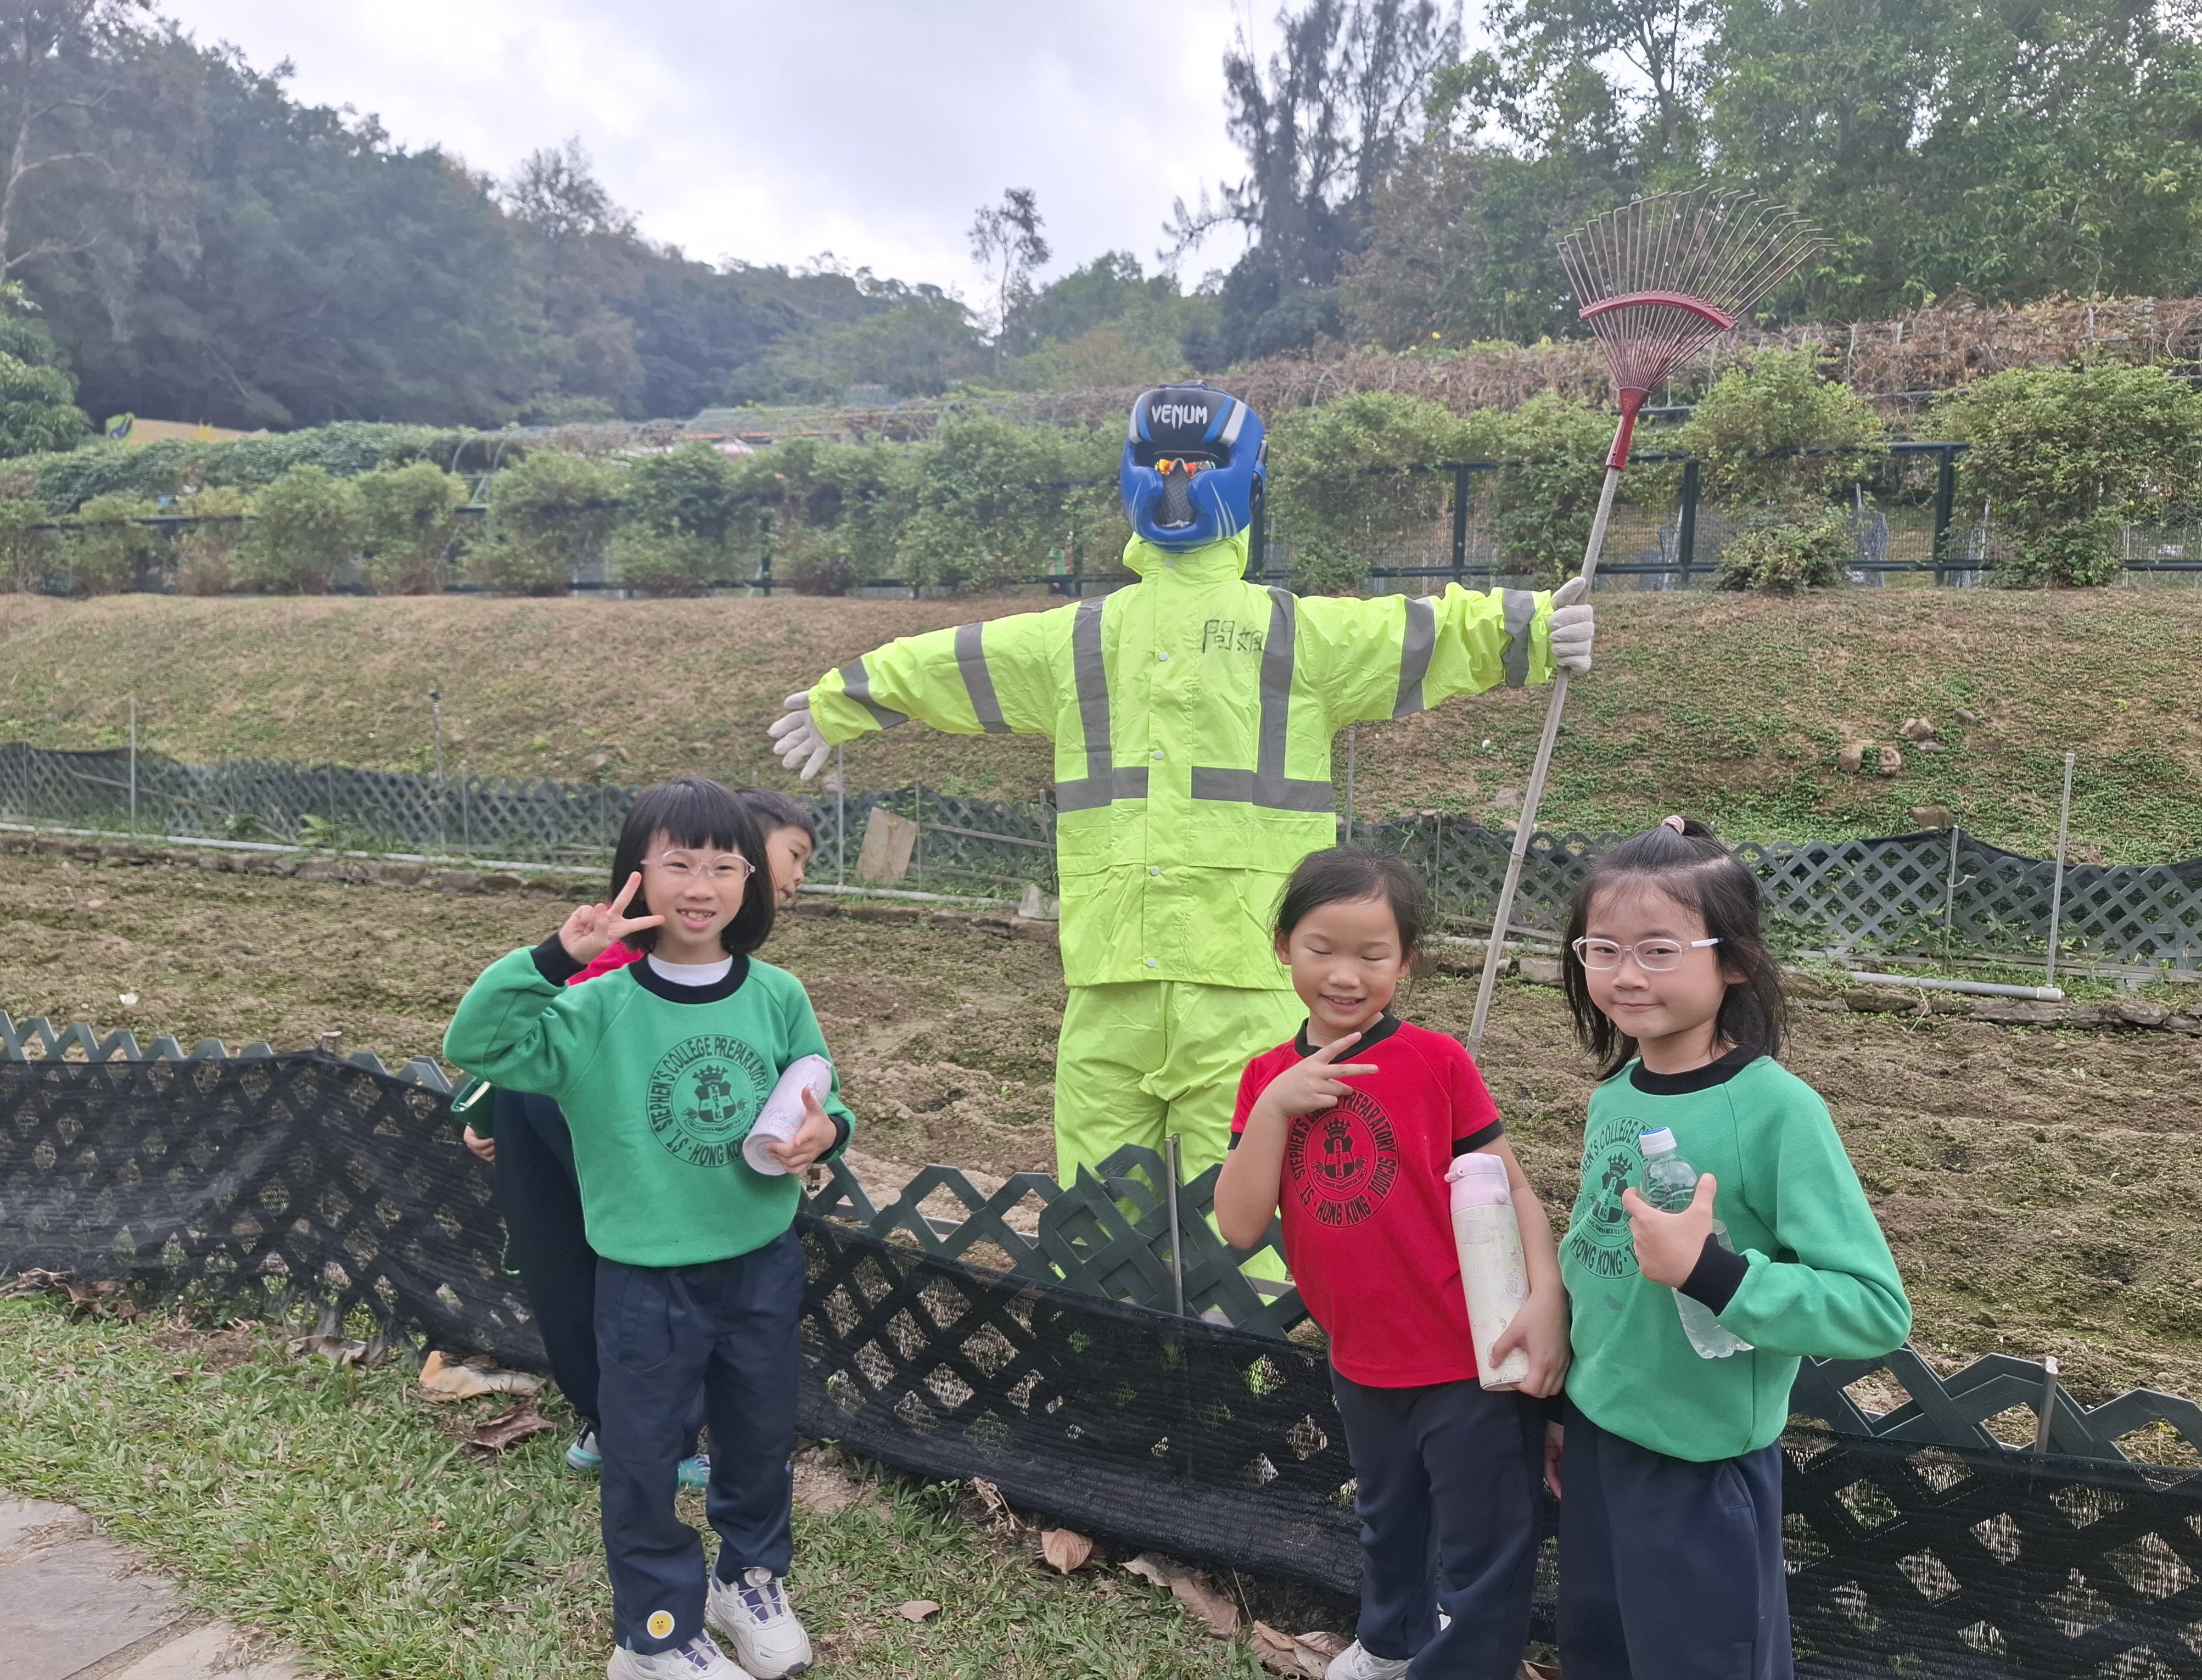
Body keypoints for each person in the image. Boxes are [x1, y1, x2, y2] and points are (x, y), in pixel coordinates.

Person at [767, 382, 1597, 1201]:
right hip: (1211, 975)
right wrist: (1526, 631)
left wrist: (1525, 631)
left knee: (1138, 1212)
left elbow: (1420, 631)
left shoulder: (1102, 638)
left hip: (1163, 977)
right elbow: (958, 661)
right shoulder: (1273, 634)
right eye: (1168, 463)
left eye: (1193, 464)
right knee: (1220, 1215)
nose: (1178, 480)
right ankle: (1189, 1299)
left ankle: (1134, 1296)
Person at [447, 777, 850, 1680]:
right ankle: (654, 1636)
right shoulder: (596, 1009)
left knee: (759, 1440)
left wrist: (827, 1131)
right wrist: (558, 955)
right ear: (637, 874)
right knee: (644, 1458)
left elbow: (818, 1085)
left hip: (761, 1263)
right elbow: (478, 1044)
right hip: (645, 1280)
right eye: (678, 863)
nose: (701, 886)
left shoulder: (778, 995)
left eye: (724, 866)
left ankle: (749, 1582)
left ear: (750, 882)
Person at [1551, 816, 1912, 1680]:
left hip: (1700, 1468)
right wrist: (1564, 1411)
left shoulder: (1777, 1111)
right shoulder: (1616, 1096)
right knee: (1602, 1656)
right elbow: (1597, 1264)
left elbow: (1874, 1310)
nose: (1625, 975)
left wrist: (1712, 1274)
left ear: (1736, 961)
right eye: (1602, 949)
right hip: (1599, 1440)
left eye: (1659, 951)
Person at [1215, 847, 1568, 1680]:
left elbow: (1514, 1189)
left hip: (1470, 1355)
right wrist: (1274, 1110)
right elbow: (1237, 1226)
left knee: (1485, 1539)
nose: (1345, 975)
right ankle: (1388, 1648)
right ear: (1284, 946)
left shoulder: (1437, 1063)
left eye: (1373, 955)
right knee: (1388, 1519)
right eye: (1321, 948)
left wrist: (1548, 1295)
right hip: (1362, 1358)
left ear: (1406, 962)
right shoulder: (1267, 1079)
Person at [461, 787, 820, 1488]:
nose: (800, 875)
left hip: (555, 1099)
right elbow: (530, 1034)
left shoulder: (760, 983)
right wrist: (485, 1105)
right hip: (574, 1104)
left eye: (724, 868)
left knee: (583, 1263)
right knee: (618, 1264)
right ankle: (639, 1430)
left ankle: (618, 1424)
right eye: (794, 854)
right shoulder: (632, 967)